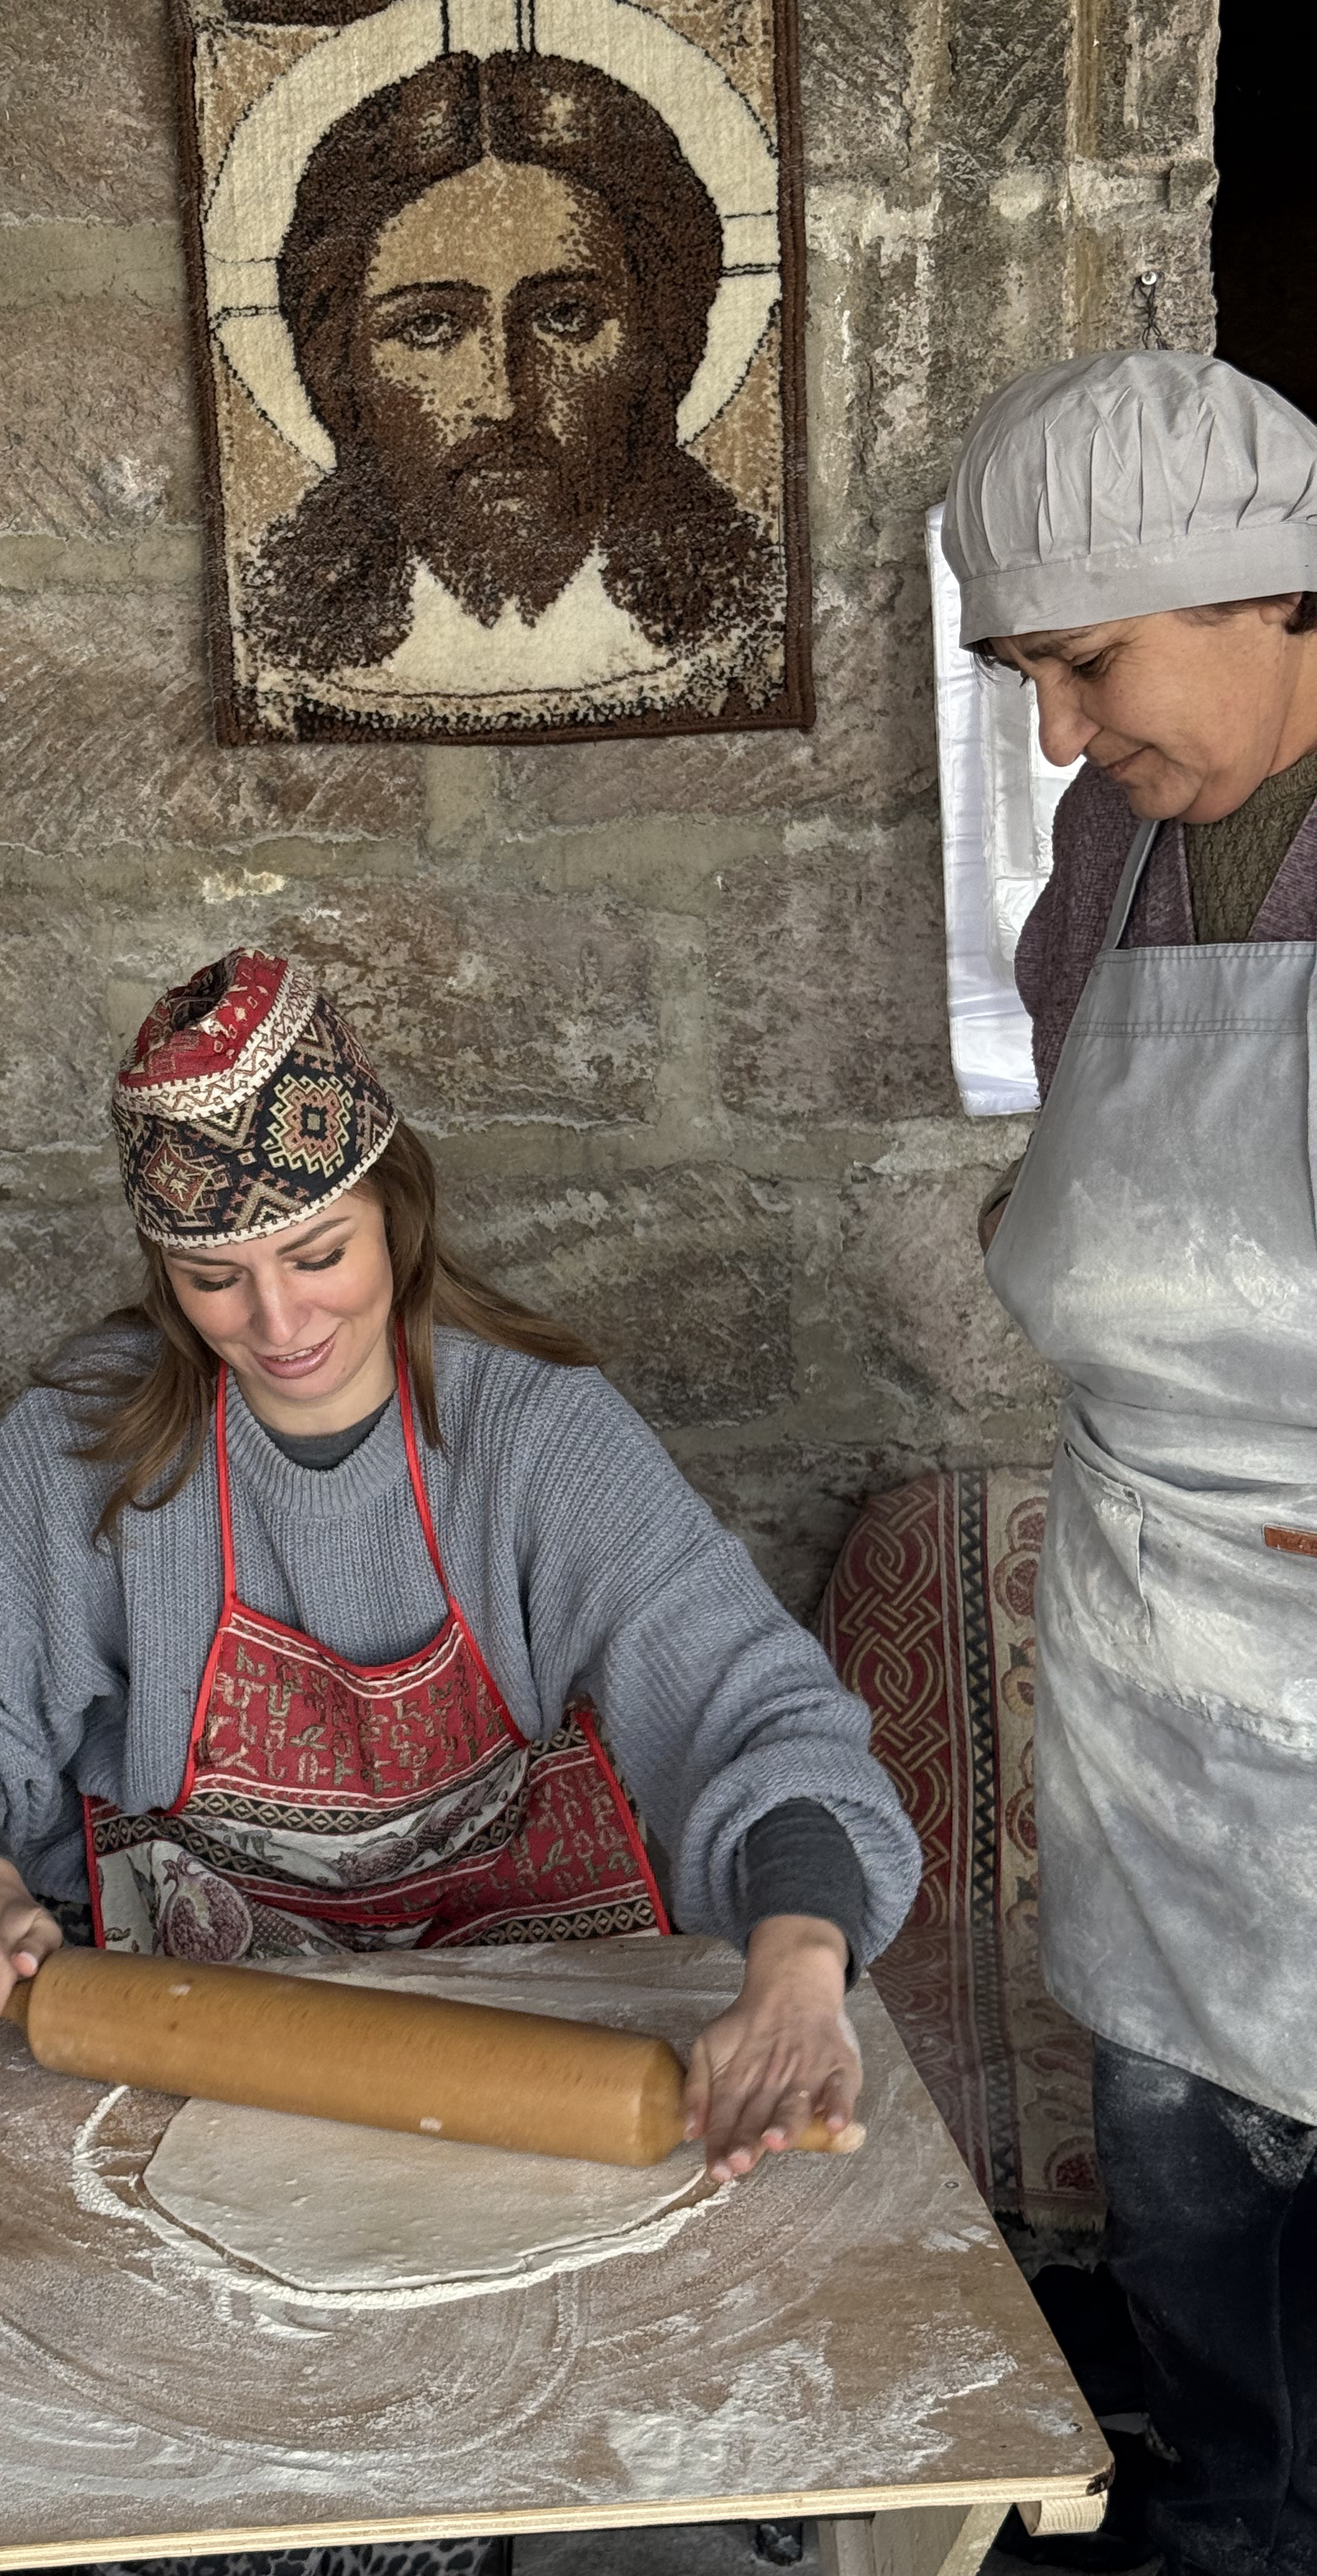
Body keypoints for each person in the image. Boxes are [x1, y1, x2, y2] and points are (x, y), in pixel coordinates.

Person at [0, 947, 919, 2188]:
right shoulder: (85, 1441)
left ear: (397, 1209)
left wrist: (796, 1967)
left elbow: (761, 1716)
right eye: (214, 1279)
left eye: (318, 1254)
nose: (279, 1325)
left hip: (533, 2017)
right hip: (192, 2012)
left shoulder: (537, 1437)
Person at [945, 349, 1317, 2576]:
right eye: (1030, 677)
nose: (1062, 735)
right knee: (1184, 2169)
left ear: (1277, 594)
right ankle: (1233, 2513)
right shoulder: (1116, 851)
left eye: (1084, 664)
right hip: (1162, 1634)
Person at [242, 49, 784, 724]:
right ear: (340, 366)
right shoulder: (280, 652)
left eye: (566, 317)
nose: (502, 399)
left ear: (658, 339)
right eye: (430, 326)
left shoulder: (745, 622)